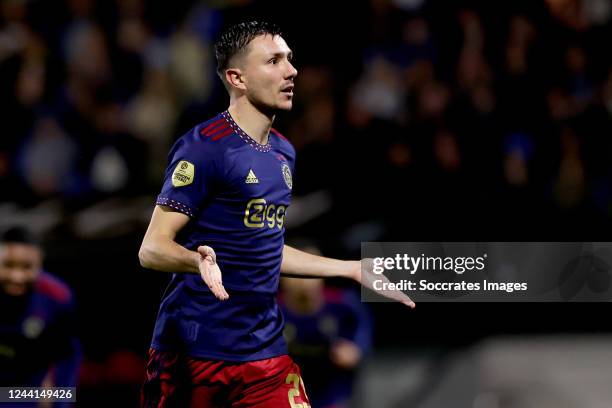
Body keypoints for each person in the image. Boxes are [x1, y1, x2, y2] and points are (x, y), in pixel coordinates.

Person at [139, 20, 414, 408]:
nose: (291, 70)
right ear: (237, 78)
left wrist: (351, 268)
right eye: (273, 61)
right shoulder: (203, 148)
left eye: (289, 59)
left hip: (264, 353)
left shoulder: (284, 152)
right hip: (193, 352)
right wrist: (193, 260)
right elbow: (151, 249)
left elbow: (266, 248)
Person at [280, 243, 372, 408]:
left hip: (333, 388)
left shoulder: (341, 302)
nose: (303, 283)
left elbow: (363, 323)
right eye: (297, 274)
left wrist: (357, 347)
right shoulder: (271, 309)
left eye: (310, 274)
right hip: (290, 389)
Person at [0, 226, 81, 399]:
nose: (17, 277)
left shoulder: (58, 297)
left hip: (28, 391)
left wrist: (59, 399)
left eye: (27, 267)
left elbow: (67, 357)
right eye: (8, 265)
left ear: (40, 264)